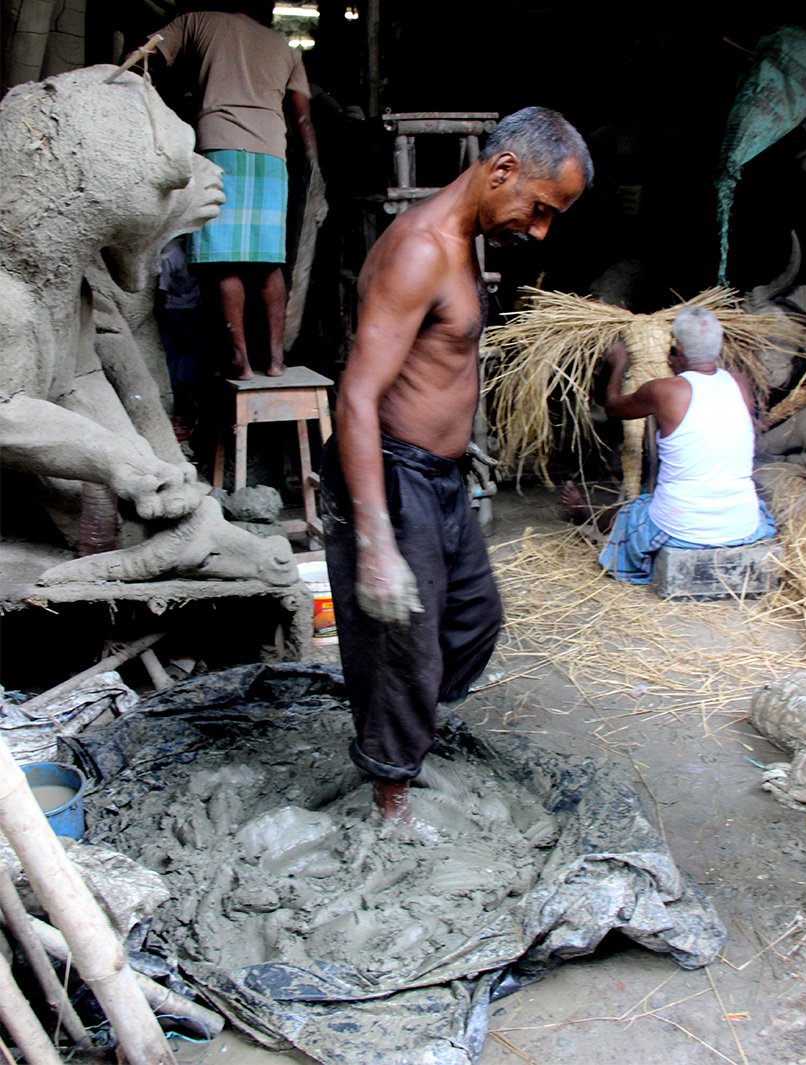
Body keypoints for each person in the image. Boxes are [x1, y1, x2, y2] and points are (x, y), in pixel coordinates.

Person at [320, 106, 590, 825]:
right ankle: (390, 795)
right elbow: (355, 396)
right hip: (392, 470)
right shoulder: (421, 249)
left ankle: (403, 727)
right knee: (404, 636)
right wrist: (375, 541)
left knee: (473, 618)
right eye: (538, 209)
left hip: (438, 477)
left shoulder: (466, 239)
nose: (538, 230)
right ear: (502, 169)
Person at [148, 2, 317, 379]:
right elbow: (302, 114)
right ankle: (275, 360)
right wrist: (314, 168)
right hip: (272, 156)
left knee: (226, 260)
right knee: (269, 260)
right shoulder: (283, 46)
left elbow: (146, 56)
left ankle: (240, 361)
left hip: (220, 147)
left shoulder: (197, 20)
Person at [592, 307, 775, 582]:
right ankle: (587, 512)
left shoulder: (663, 390)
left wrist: (618, 363)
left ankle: (587, 514)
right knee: (755, 505)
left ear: (677, 350)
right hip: (743, 526)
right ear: (719, 346)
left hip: (680, 527)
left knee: (634, 510)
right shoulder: (740, 383)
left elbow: (613, 408)